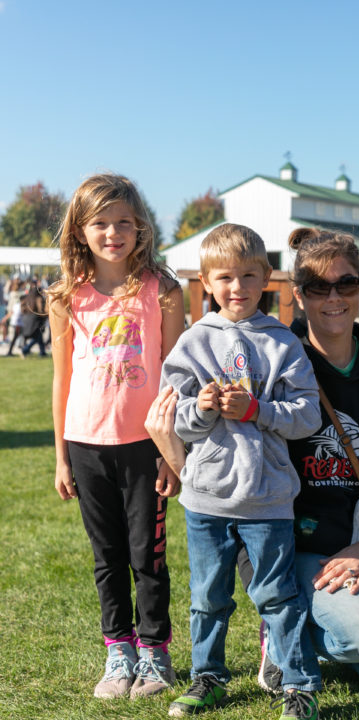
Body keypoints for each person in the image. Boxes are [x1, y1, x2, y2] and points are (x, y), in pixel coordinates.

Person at [146, 227, 359, 702]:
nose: (333, 297)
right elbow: (209, 441)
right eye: (317, 287)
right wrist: (184, 429)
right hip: (284, 539)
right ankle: (281, 640)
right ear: (299, 295)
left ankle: (298, 635)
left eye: (346, 284)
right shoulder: (266, 360)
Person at [160, 223, 323, 719]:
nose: (237, 287)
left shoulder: (283, 344)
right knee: (208, 597)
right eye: (225, 277)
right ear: (206, 282)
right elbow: (174, 418)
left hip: (267, 498)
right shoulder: (193, 341)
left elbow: (308, 416)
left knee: (276, 596)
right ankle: (207, 677)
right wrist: (202, 408)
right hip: (205, 497)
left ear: (267, 278)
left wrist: (258, 410)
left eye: (249, 275)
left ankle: (300, 685)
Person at [47, 173, 185, 700]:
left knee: (147, 555)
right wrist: (61, 456)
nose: (113, 232)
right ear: (80, 230)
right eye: (100, 223)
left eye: (124, 221)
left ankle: (155, 653)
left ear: (140, 227)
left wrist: (173, 453)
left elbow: (175, 375)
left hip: (145, 446)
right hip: (85, 445)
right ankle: (119, 651)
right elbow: (62, 378)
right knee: (106, 556)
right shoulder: (67, 297)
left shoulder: (162, 290)